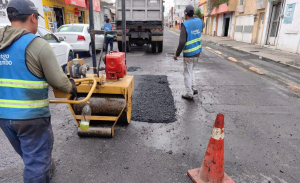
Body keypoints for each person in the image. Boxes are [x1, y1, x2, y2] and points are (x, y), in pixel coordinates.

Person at [0, 0, 77, 182]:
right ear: (33, 17)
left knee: (31, 156)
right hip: (31, 118)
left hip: (4, 117)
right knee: (36, 164)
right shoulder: (37, 45)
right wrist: (71, 87)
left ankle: (45, 168)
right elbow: (59, 82)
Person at [174, 5, 204, 101]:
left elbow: (182, 42)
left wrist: (177, 54)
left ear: (185, 14)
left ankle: (189, 94)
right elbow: (203, 25)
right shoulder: (199, 21)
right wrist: (197, 17)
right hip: (197, 52)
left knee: (187, 72)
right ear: (193, 13)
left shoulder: (185, 24)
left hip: (189, 54)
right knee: (191, 71)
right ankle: (194, 88)